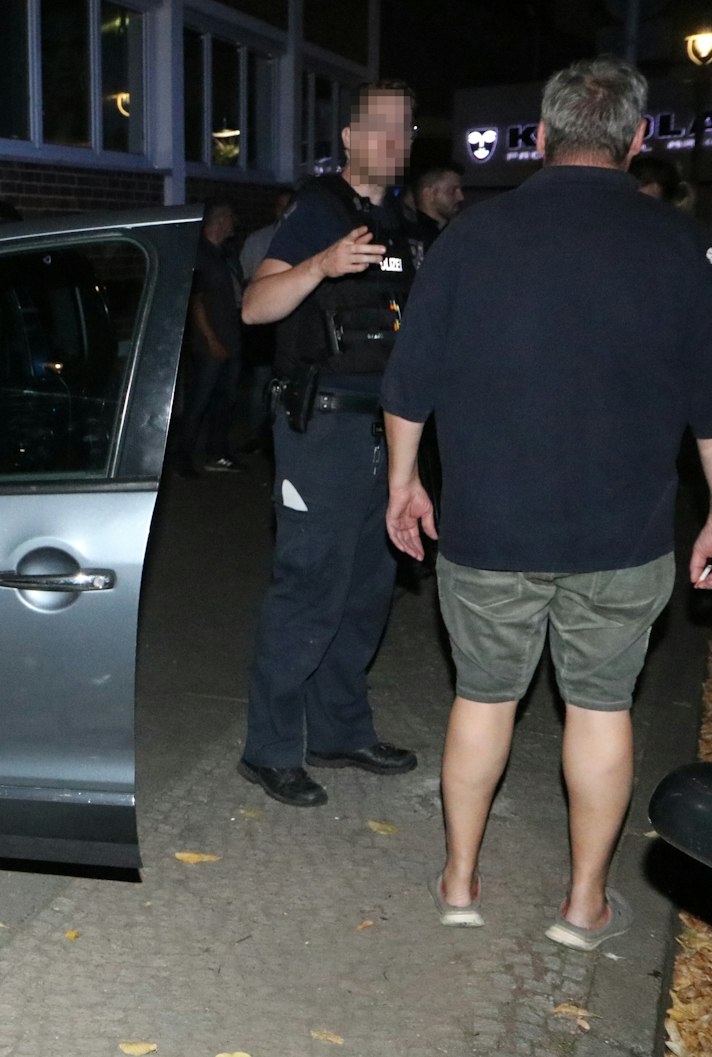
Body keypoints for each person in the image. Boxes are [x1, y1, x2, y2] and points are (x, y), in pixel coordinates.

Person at [382, 56, 712, 951]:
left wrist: (402, 483)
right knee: (601, 707)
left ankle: (458, 882)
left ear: (540, 134)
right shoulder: (675, 244)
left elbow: (411, 380)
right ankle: (583, 905)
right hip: (623, 532)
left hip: (490, 526)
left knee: (483, 699)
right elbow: (708, 397)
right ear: (638, 139)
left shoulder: (475, 237)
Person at [234, 81, 421, 807]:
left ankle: (341, 728)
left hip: (386, 433)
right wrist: (319, 265)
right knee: (309, 588)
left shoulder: (401, 223)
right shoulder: (318, 212)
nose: (394, 142)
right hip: (322, 430)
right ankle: (270, 748)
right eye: (380, 129)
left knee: (369, 589)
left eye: (404, 130)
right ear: (348, 138)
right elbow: (254, 307)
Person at [169, 201, 245, 474]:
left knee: (225, 400)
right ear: (220, 220)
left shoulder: (225, 253)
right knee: (199, 400)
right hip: (210, 342)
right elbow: (195, 301)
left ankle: (217, 451)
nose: (234, 225)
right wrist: (211, 340)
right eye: (231, 219)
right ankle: (182, 455)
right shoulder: (199, 253)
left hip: (232, 337)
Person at [237, 189, 295, 454]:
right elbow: (247, 279)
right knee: (261, 379)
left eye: (289, 205)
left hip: (293, 320)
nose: (284, 211)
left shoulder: (306, 236)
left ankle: (282, 435)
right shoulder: (258, 239)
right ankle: (255, 434)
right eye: (280, 205)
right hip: (262, 323)